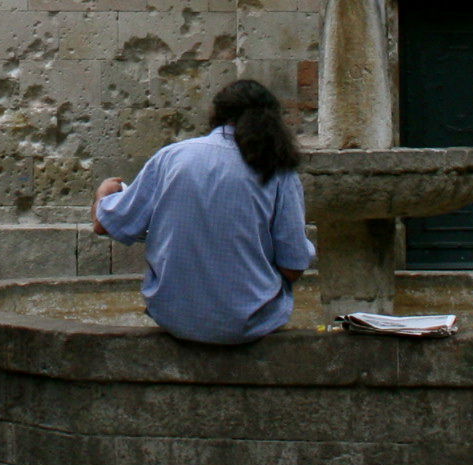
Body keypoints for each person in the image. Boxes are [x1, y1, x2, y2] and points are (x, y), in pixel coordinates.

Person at [91, 78, 316, 345]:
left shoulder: (172, 157)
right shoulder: (280, 172)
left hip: (175, 318)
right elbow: (292, 267)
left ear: (216, 114)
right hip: (249, 323)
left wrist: (103, 194)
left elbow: (104, 224)